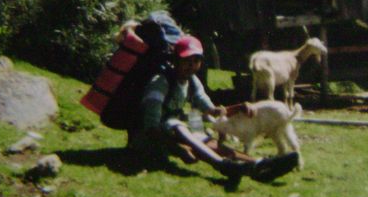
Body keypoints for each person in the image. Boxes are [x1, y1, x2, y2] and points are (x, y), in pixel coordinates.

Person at [128, 35, 299, 185]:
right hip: (148, 139)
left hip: (171, 132)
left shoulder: (192, 82)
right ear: (175, 60)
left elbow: (212, 110)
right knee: (180, 127)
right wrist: (179, 148)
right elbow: (150, 127)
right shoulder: (160, 82)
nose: (191, 66)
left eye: (196, 61)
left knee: (205, 139)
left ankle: (258, 165)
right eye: (186, 61)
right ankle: (223, 165)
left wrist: (239, 107)